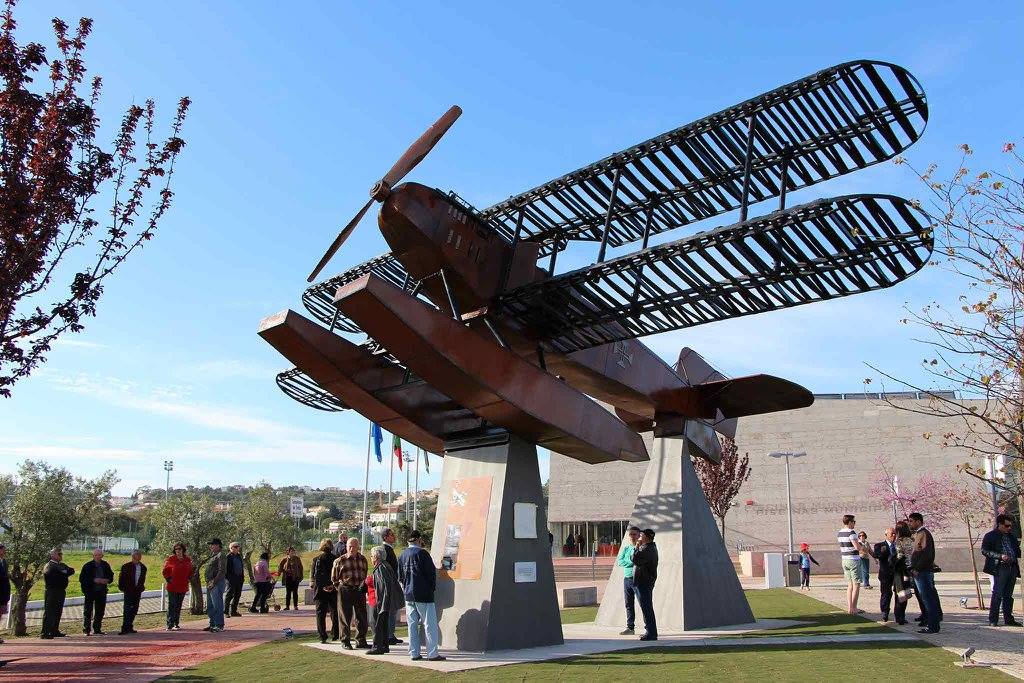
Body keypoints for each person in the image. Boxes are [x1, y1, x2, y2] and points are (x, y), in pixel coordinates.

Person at [399, 529, 445, 661]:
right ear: (419, 539)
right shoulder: (423, 553)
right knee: (429, 624)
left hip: (408, 594)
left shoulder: (402, 555)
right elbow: (431, 575)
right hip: (423, 595)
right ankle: (432, 653)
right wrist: (432, 589)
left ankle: (414, 653)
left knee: (412, 625)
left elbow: (400, 577)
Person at [981, 514, 1022, 627]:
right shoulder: (990, 536)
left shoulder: (1011, 536)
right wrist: (999, 556)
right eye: (1007, 526)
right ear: (1000, 525)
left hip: (1012, 566)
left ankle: (1009, 619)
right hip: (999, 567)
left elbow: (1017, 551)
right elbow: (985, 550)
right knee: (997, 593)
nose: (1009, 528)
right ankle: (993, 619)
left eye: (1010, 526)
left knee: (1008, 595)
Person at [332, 537, 370, 649]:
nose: (351, 548)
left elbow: (365, 573)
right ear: (346, 547)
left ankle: (361, 640)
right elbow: (334, 578)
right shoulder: (339, 561)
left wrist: (363, 587)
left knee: (361, 616)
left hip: (359, 590)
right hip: (345, 590)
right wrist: (340, 588)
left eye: (354, 546)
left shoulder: (363, 559)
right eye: (349, 546)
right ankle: (345, 641)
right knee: (345, 616)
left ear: (358, 547)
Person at [908, 512, 941, 633]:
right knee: (926, 597)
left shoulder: (924, 534)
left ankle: (933, 625)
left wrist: (917, 568)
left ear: (918, 521)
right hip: (920, 571)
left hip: (923, 572)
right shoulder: (918, 534)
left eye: (911, 521)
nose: (910, 523)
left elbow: (927, 554)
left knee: (928, 598)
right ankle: (932, 622)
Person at [366, 545, 402, 655]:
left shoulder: (381, 568)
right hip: (384, 602)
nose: (371, 558)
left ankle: (377, 646)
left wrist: (381, 604)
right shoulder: (385, 566)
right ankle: (384, 646)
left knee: (376, 623)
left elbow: (383, 588)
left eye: (371, 556)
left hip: (380, 602)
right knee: (382, 625)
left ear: (376, 557)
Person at [873, 528, 906, 624]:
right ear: (886, 534)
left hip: (898, 572)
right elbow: (876, 555)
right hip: (885, 573)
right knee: (886, 594)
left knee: (900, 594)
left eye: (895, 534)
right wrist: (882, 552)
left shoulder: (899, 545)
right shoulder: (880, 545)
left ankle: (899, 615)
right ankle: (885, 612)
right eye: (892, 534)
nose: (894, 535)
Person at [41, 547, 74, 639]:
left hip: (60, 591)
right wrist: (64, 572)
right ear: (53, 555)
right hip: (52, 591)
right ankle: (45, 632)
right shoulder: (49, 565)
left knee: (58, 611)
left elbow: (71, 570)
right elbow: (53, 575)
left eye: (61, 554)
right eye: (59, 554)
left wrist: (64, 572)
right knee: (49, 612)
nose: (61, 556)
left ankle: (54, 630)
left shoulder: (61, 565)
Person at [79, 547, 113, 635]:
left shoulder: (105, 565)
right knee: (88, 611)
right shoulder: (87, 566)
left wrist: (106, 580)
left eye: (99, 555)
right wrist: (94, 580)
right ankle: (86, 629)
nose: (97, 557)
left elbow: (111, 576)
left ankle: (97, 629)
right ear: (93, 556)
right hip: (90, 591)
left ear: (102, 556)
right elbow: (82, 578)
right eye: (95, 555)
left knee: (100, 611)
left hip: (101, 591)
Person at [632, 528, 658, 641]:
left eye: (641, 536)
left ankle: (651, 633)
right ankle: (649, 630)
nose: (639, 538)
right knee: (646, 607)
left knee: (646, 607)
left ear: (646, 537)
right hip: (643, 581)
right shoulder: (648, 548)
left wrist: (637, 546)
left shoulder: (648, 549)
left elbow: (634, 559)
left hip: (644, 582)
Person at [311, 539, 339, 643]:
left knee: (320, 613)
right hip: (333, 588)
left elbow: (314, 575)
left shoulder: (316, 559)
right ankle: (335, 634)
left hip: (320, 588)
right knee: (334, 611)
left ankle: (322, 635)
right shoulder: (336, 559)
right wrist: (332, 585)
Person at [380, 528, 404, 645]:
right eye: (391, 535)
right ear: (385, 537)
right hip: (389, 584)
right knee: (390, 609)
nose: (394, 536)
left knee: (393, 610)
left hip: (393, 582)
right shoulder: (385, 549)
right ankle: (388, 634)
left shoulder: (389, 549)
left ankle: (391, 633)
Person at [616, 525, 641, 634]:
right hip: (627, 579)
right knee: (628, 604)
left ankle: (648, 627)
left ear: (639, 535)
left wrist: (630, 561)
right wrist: (630, 562)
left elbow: (638, 561)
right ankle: (630, 627)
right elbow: (620, 561)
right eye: (630, 534)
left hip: (638, 579)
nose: (632, 536)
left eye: (634, 534)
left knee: (643, 603)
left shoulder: (640, 547)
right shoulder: (626, 548)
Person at [837, 514, 864, 614]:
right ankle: (854, 608)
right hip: (853, 559)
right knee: (856, 584)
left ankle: (850, 607)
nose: (854, 524)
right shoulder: (851, 532)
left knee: (850, 585)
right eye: (853, 522)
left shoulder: (840, 532)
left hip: (844, 559)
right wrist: (862, 546)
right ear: (849, 522)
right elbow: (857, 547)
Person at [162, 542, 192, 630]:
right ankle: (169, 624)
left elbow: (190, 571)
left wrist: (189, 578)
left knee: (179, 605)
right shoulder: (171, 559)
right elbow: (165, 571)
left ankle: (176, 623)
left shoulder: (187, 559)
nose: (178, 551)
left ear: (183, 549)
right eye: (176, 549)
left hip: (183, 586)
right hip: (173, 586)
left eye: (179, 549)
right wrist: (169, 579)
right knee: (172, 605)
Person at [118, 550, 147, 634]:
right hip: (128, 590)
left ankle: (130, 626)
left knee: (135, 608)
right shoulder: (126, 566)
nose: (139, 556)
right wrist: (122, 588)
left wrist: (141, 587)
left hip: (137, 591)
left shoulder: (143, 567)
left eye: (140, 555)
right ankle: (124, 628)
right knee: (127, 609)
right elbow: (121, 578)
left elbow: (142, 579)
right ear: (133, 556)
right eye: (137, 555)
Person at [204, 538, 227, 633]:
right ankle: (212, 623)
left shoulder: (221, 555)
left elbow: (221, 570)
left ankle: (219, 625)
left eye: (212, 544)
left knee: (217, 604)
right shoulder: (213, 555)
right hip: (210, 583)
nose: (211, 546)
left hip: (216, 583)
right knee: (210, 605)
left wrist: (214, 581)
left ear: (218, 545)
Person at [278, 546, 304, 611]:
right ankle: (287, 606)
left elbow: (301, 568)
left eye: (293, 551)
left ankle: (295, 606)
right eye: (291, 551)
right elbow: (280, 567)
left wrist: (301, 576)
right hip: (287, 578)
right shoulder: (284, 559)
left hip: (295, 577)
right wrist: (280, 572)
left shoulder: (297, 559)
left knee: (295, 592)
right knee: (288, 592)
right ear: (288, 552)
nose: (293, 553)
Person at [224, 542, 245, 618]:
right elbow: (225, 569)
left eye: (238, 547)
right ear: (231, 548)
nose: (237, 548)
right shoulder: (228, 557)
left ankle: (233, 611)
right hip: (231, 579)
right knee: (229, 595)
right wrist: (228, 578)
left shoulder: (239, 556)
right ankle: (225, 611)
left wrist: (242, 577)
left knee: (237, 595)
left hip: (239, 578)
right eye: (236, 547)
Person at [0, 544, 10, 644]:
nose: (5, 552)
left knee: (1, 615)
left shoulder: (3, 562)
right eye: (3, 550)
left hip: (3, 594)